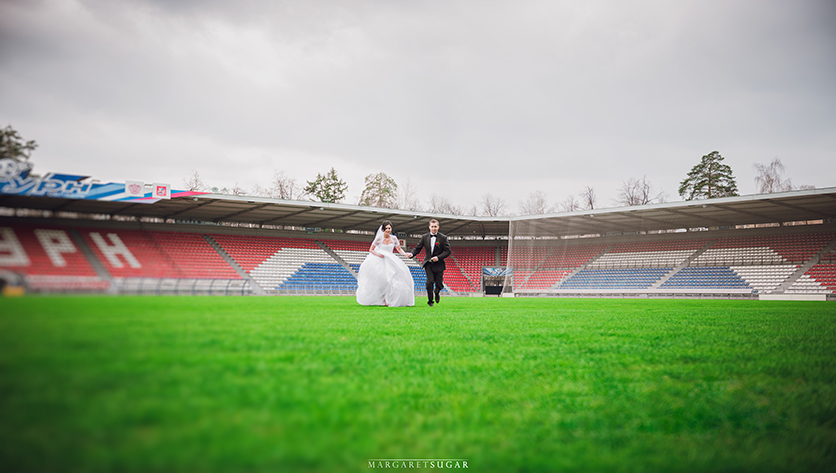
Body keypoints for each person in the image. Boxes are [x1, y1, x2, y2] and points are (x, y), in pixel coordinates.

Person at [356, 220, 415, 307]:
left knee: (392, 279)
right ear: (383, 229)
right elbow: (371, 249)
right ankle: (382, 299)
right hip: (380, 260)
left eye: (389, 228)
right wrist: (378, 255)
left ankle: (389, 299)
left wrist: (405, 254)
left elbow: (398, 249)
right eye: (386, 228)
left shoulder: (394, 238)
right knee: (382, 280)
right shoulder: (379, 238)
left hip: (390, 259)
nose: (388, 230)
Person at [407, 219, 451, 307]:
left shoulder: (443, 238)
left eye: (435, 227)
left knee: (439, 284)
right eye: (432, 226)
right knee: (429, 282)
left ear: (438, 227)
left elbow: (448, 251)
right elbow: (418, 247)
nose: (433, 228)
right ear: (429, 227)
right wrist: (412, 253)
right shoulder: (424, 237)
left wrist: (438, 258)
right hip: (429, 264)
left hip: (439, 265)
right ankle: (430, 301)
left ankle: (437, 292)